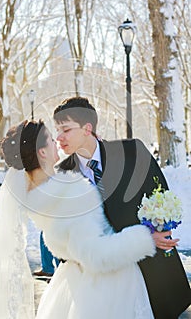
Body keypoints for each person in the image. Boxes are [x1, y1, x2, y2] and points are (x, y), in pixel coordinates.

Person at [0, 119, 158, 319]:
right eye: (50, 138)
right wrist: (144, 238)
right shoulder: (69, 194)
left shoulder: (38, 195)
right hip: (105, 290)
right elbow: (95, 255)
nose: (56, 140)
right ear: (42, 152)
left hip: (72, 284)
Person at [53, 96, 191, 319]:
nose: (59, 137)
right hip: (96, 281)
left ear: (87, 128)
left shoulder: (132, 152)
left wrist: (158, 232)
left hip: (150, 271)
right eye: (57, 130)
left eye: (66, 129)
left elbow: (161, 196)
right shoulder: (60, 174)